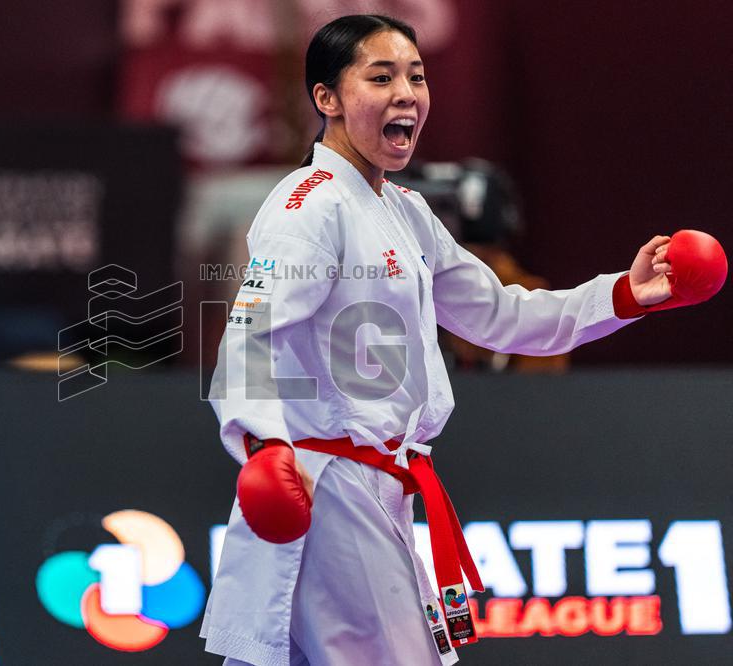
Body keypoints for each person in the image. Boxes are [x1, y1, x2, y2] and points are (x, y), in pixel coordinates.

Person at [202, 14, 725, 666]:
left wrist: (622, 294)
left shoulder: (405, 210)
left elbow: (500, 315)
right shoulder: (309, 204)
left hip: (374, 488)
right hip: (327, 486)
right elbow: (251, 331)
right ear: (326, 99)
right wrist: (260, 446)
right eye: (381, 76)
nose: (407, 94)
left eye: (416, 77)